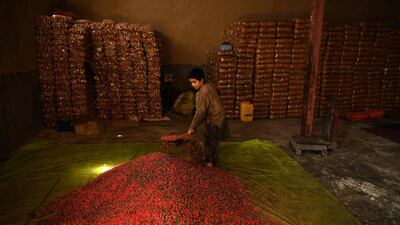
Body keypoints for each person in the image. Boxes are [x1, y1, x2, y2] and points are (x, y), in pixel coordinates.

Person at [187, 68, 230, 167]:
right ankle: (207, 157)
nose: (192, 85)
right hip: (212, 116)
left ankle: (213, 162)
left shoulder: (203, 93)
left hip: (216, 117)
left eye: (194, 82)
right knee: (207, 137)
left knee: (213, 140)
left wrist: (192, 127)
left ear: (201, 80)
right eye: (191, 82)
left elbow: (200, 112)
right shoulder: (209, 85)